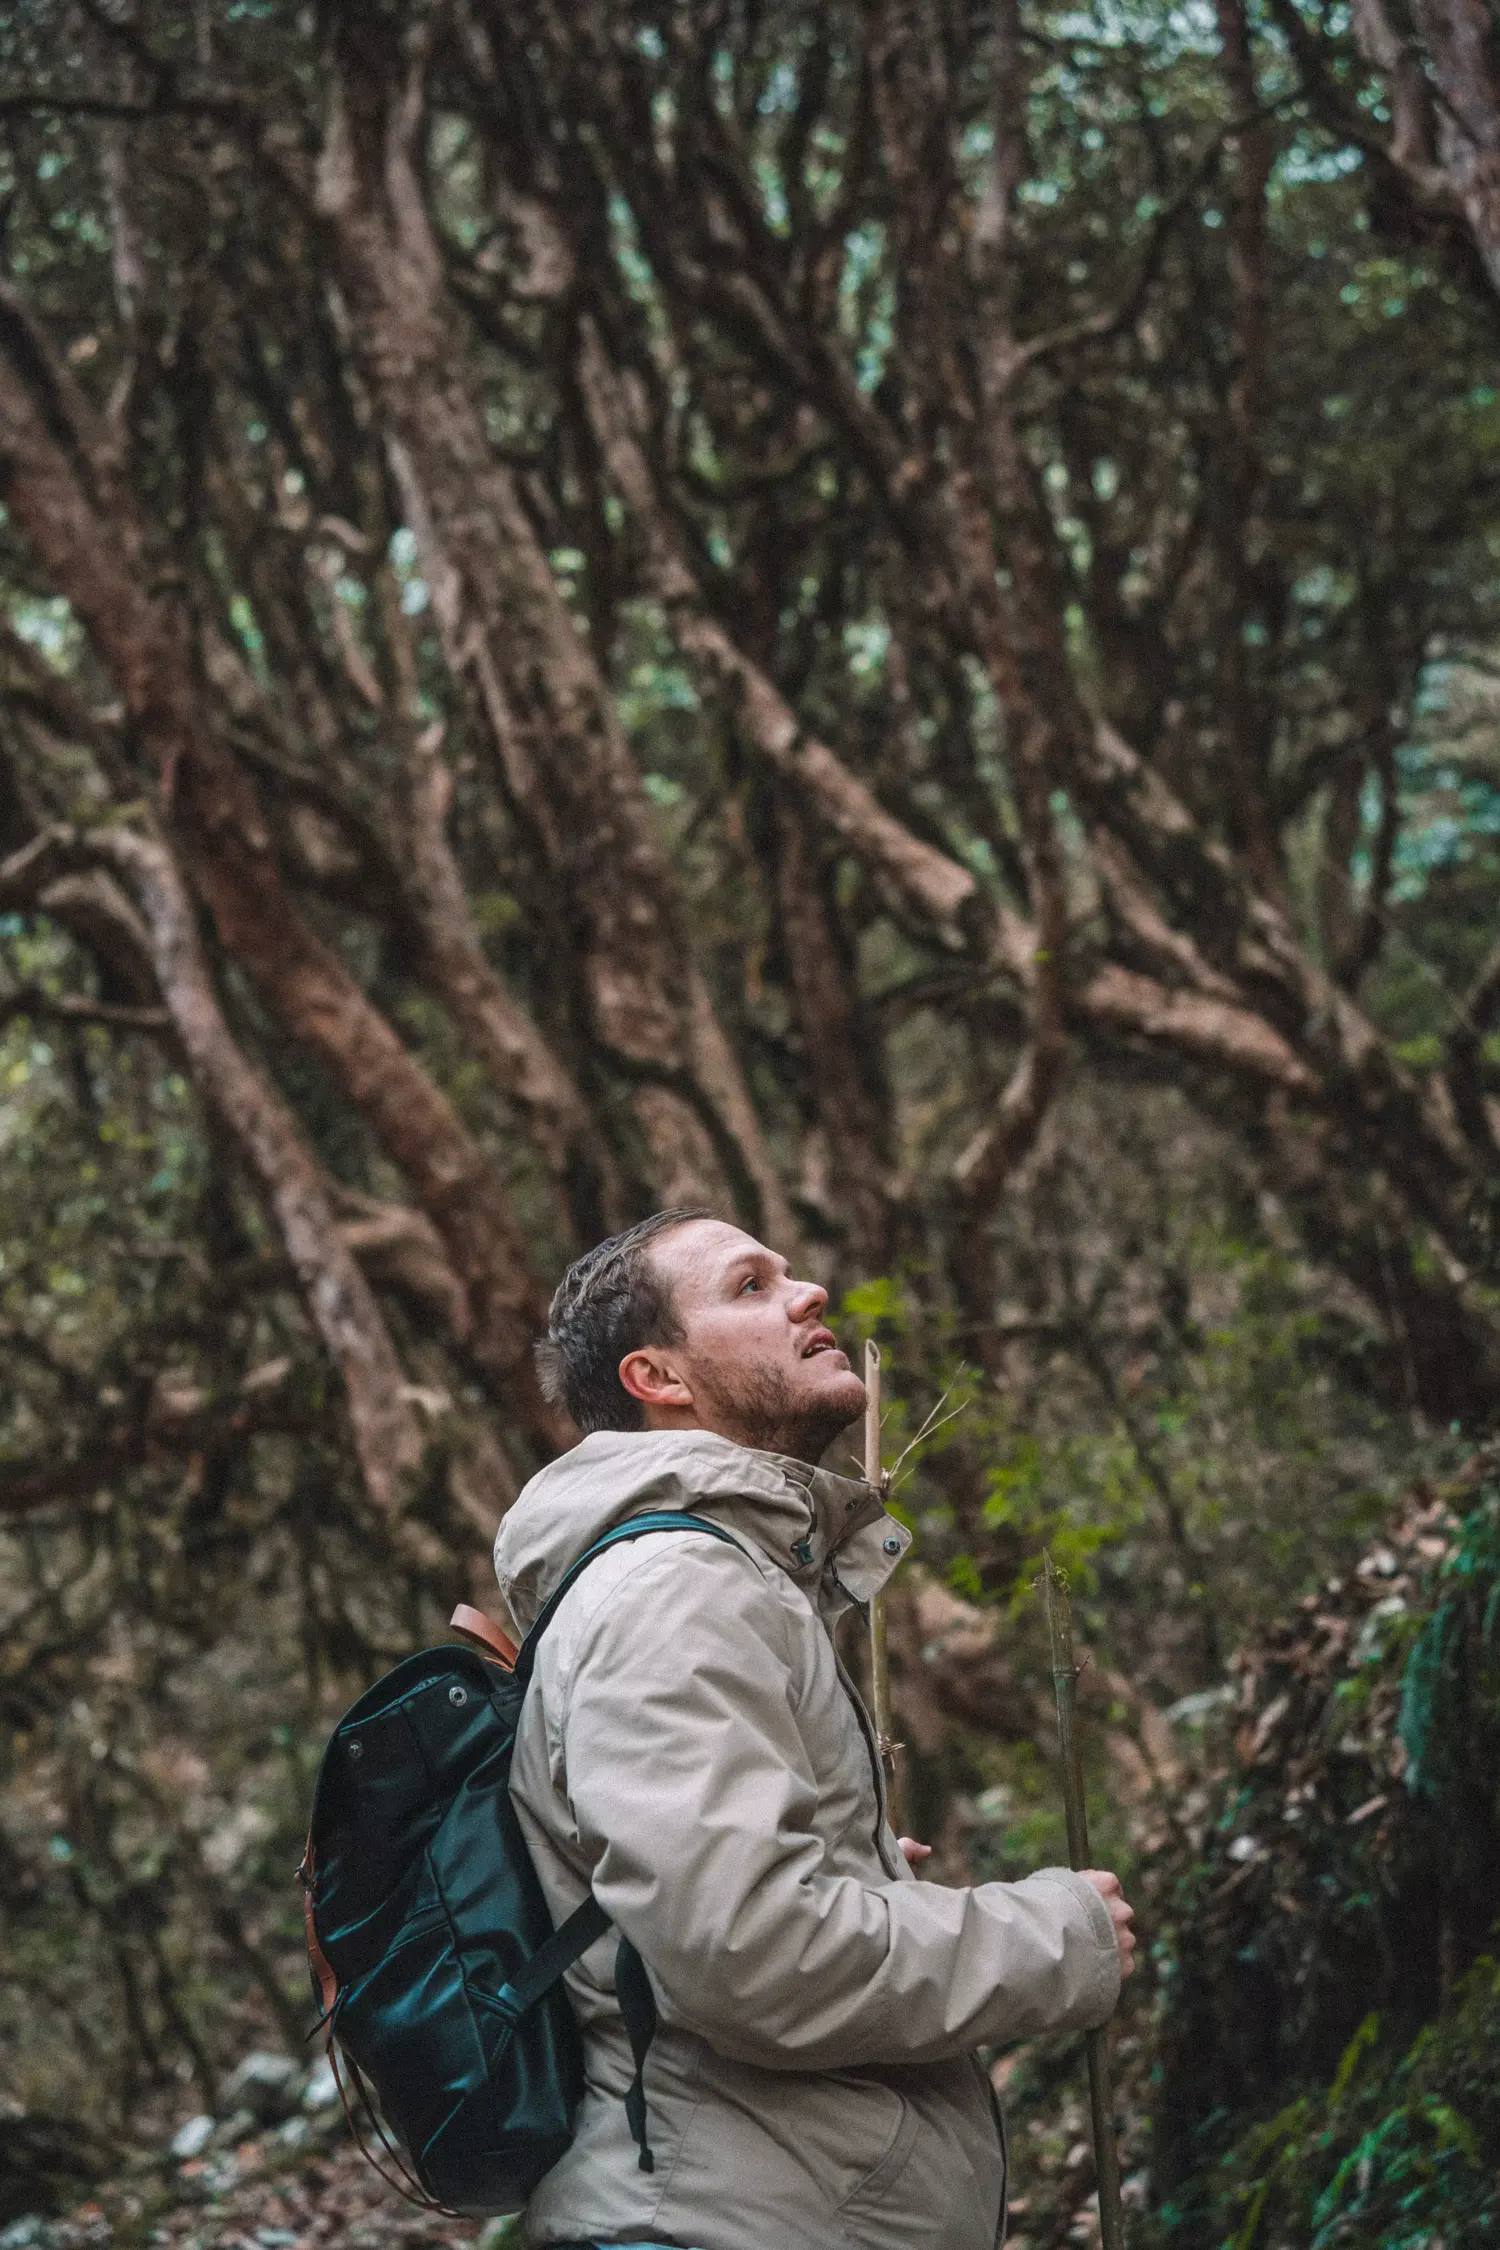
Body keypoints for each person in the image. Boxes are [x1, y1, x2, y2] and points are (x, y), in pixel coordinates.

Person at [495, 1208, 1136, 2250]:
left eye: (790, 1273)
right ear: (659, 1377)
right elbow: (751, 1953)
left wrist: (860, 1872)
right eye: (750, 1287)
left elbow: (709, 1915)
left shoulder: (714, 1573)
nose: (809, 1295)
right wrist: (1053, 1937)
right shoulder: (674, 1586)